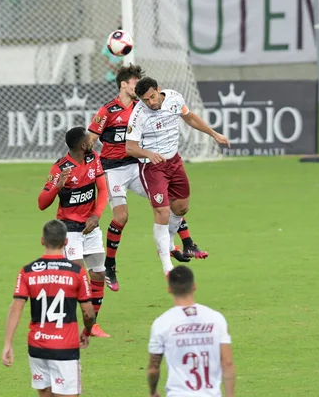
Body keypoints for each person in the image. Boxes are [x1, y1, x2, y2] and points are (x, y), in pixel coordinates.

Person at [88, 64, 208, 292]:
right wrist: (87, 167)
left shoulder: (142, 107)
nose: (138, 88)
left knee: (169, 201)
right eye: (134, 82)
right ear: (124, 84)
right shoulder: (107, 111)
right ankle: (110, 264)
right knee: (121, 217)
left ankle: (186, 242)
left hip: (137, 166)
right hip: (113, 170)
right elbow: (90, 140)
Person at [125, 77, 231, 276]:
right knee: (162, 212)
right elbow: (130, 148)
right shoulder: (138, 114)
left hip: (174, 162)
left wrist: (214, 134)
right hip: (152, 167)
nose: (151, 103)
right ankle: (166, 265)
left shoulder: (174, 98)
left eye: (153, 97)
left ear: (159, 90)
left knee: (181, 207)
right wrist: (148, 154)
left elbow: (189, 117)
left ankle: (170, 242)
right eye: (145, 100)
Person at [2, 219, 96, 397]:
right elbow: (88, 312)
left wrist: (8, 343)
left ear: (42, 241)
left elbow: (16, 308)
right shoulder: (76, 272)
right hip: (65, 347)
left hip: (37, 347)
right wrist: (87, 331)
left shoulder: (28, 271)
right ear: (66, 241)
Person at [38, 126, 111, 338]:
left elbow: (103, 189)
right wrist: (57, 187)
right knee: (77, 278)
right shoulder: (59, 168)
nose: (92, 141)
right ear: (82, 145)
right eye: (89, 139)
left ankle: (93, 325)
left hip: (90, 227)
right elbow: (42, 204)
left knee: (98, 273)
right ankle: (62, 323)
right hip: (69, 230)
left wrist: (96, 215)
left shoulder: (93, 159)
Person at [147, 265, 235, 397]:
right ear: (194, 286)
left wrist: (153, 391)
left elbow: (154, 368)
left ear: (169, 289)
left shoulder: (162, 323)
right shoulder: (216, 319)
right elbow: (227, 363)